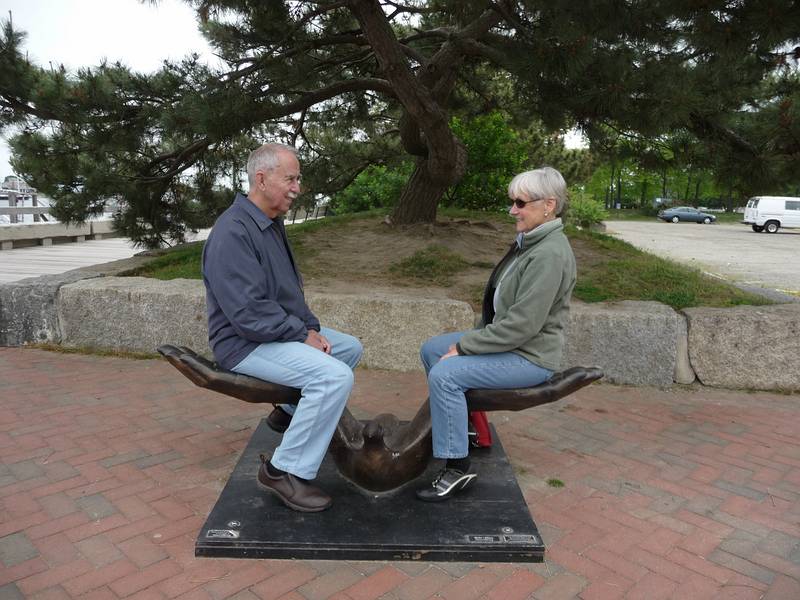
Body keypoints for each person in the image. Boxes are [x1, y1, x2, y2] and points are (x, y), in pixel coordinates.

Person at [202, 142, 362, 513]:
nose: (297, 187)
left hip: (271, 331)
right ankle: (283, 471)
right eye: (290, 178)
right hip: (244, 344)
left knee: (348, 347)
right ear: (261, 178)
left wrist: (310, 328)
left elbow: (288, 291)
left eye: (298, 178)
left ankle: (287, 412)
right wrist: (302, 335)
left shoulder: (268, 222)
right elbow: (248, 313)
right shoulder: (233, 234)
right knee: (334, 378)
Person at [416, 166, 576, 502]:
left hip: (529, 356)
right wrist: (464, 345)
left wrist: (465, 346)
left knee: (446, 373)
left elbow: (522, 326)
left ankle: (456, 466)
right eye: (512, 202)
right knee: (433, 349)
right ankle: (465, 428)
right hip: (512, 345)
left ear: (548, 205)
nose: (512, 210)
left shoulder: (548, 253)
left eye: (520, 203)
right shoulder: (531, 242)